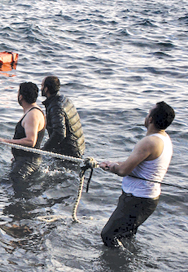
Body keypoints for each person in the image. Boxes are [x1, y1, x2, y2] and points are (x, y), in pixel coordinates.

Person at [99, 102, 174, 247]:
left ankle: (117, 265)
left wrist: (112, 167)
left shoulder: (149, 142)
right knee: (125, 236)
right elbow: (138, 164)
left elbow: (123, 171)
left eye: (148, 113)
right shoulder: (164, 138)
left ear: (151, 119)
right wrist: (115, 163)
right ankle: (127, 264)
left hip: (137, 199)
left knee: (108, 235)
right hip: (146, 198)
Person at [0, 82, 47, 188]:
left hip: (27, 163)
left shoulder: (32, 115)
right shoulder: (33, 111)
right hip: (24, 160)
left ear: (21, 97)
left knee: (6, 188)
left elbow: (30, 141)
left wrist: (4, 141)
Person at [40, 76, 86, 159]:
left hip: (70, 152)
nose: (41, 88)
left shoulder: (56, 106)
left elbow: (59, 133)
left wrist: (43, 150)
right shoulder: (64, 99)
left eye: (42, 86)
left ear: (46, 89)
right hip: (79, 147)